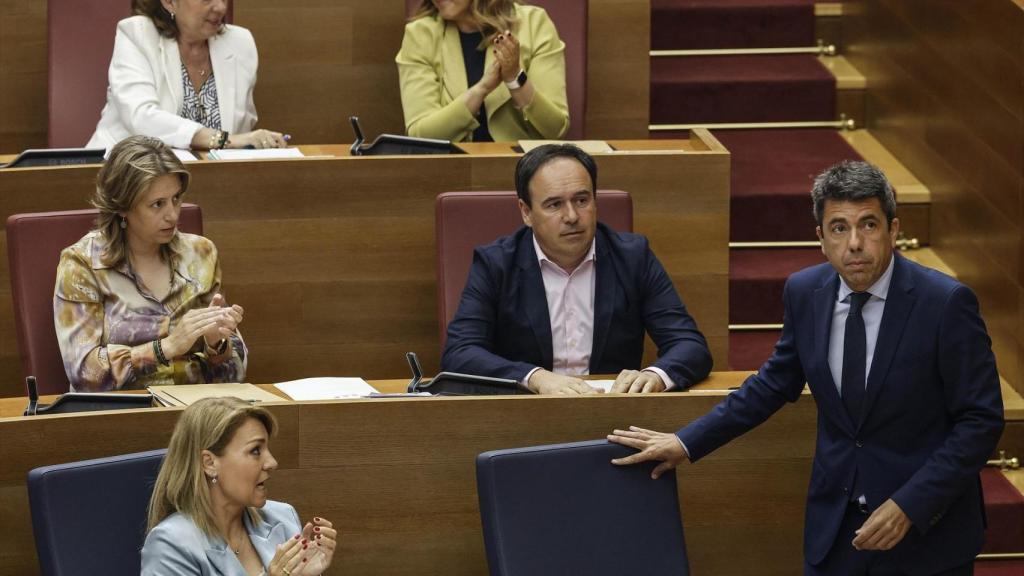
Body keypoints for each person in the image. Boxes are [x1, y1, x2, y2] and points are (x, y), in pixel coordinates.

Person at [608, 161, 1005, 575]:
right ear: (820, 237)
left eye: (869, 225)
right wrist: (687, 442)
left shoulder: (944, 304)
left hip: (925, 535)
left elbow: (981, 421)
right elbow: (773, 384)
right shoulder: (805, 293)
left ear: (894, 229)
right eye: (839, 228)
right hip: (837, 530)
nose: (854, 243)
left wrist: (911, 504)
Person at [441, 144, 712, 394]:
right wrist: (536, 378)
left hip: (613, 416)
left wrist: (655, 375)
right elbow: (460, 353)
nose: (571, 216)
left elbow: (690, 346)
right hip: (524, 413)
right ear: (526, 212)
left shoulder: (633, 257)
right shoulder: (496, 264)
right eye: (554, 204)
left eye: (581, 200)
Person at [55, 135, 247, 391]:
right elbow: (83, 372)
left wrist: (217, 345)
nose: (173, 215)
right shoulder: (81, 264)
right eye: (157, 204)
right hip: (122, 413)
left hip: (197, 411)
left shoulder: (201, 253)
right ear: (122, 207)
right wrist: (165, 347)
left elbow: (235, 375)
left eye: (176, 199)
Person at [143, 397, 337, 575]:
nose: (272, 462)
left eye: (267, 449)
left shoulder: (283, 518)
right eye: (255, 451)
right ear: (209, 463)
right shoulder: (171, 544)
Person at [87, 0, 287, 151]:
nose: (220, 7)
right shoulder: (138, 33)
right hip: (126, 179)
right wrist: (224, 140)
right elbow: (141, 116)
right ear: (170, 2)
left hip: (207, 181)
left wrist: (258, 141)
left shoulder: (240, 42)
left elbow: (242, 129)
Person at [396, 0, 569, 142]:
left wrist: (515, 78)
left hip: (525, 169)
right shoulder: (420, 34)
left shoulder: (534, 23)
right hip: (450, 170)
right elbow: (421, 136)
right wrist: (481, 89)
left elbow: (556, 128)